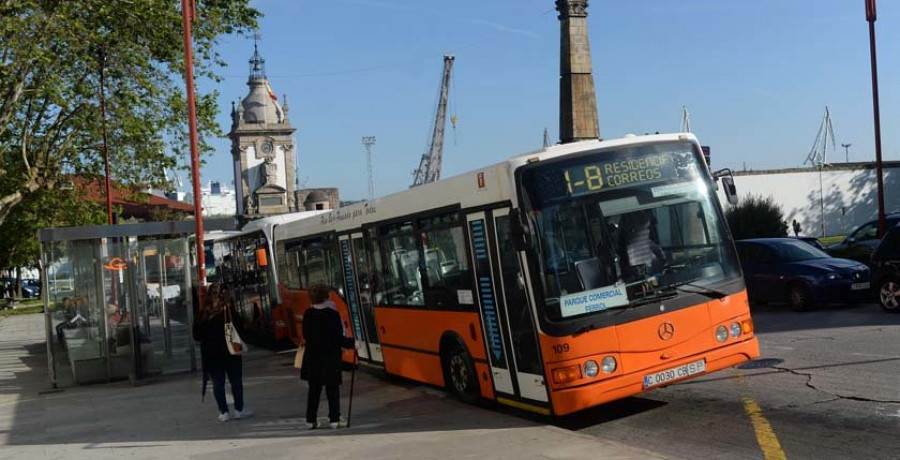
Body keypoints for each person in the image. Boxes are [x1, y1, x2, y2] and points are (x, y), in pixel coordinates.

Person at [193, 283, 253, 422]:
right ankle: (239, 410)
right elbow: (239, 328)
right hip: (230, 350)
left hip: (211, 353)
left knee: (218, 383)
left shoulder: (202, 313)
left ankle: (224, 412)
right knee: (236, 381)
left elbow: (197, 336)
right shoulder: (228, 310)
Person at [300, 284, 353, 429]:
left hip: (313, 358)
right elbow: (338, 338)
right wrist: (352, 343)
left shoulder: (308, 314)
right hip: (330, 358)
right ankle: (334, 419)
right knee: (332, 389)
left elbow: (305, 335)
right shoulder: (332, 314)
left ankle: (310, 420)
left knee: (314, 390)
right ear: (326, 296)